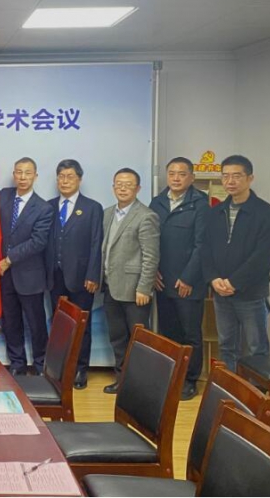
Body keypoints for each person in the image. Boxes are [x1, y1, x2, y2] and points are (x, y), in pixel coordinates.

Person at [203, 155, 270, 372]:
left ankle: (256, 390)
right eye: (225, 176)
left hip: (251, 294)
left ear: (250, 178)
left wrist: (233, 282)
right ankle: (231, 387)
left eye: (236, 176)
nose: (230, 181)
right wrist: (213, 279)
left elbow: (262, 256)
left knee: (257, 348)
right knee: (227, 346)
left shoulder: (266, 213)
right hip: (220, 292)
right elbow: (205, 249)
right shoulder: (214, 212)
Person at [150, 157, 209, 400]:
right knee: (168, 332)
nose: (176, 178)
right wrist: (153, 271)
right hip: (162, 281)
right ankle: (172, 376)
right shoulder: (157, 202)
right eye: (172, 173)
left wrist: (188, 278)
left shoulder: (201, 204)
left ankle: (190, 379)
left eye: (182, 174)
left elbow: (202, 245)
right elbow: (150, 240)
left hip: (188, 284)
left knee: (190, 334)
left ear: (191, 178)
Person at [46, 159, 103, 390]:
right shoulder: (48, 206)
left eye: (70, 176)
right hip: (54, 276)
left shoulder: (92, 207)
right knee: (59, 324)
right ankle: (59, 369)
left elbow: (96, 243)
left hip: (82, 278)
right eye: (61, 176)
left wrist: (93, 275)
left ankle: (80, 369)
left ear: (79, 179)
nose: (65, 181)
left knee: (82, 325)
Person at [101, 168, 160, 393]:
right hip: (111, 286)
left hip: (135, 291)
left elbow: (151, 256)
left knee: (138, 341)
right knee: (117, 338)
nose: (123, 188)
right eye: (119, 184)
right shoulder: (107, 213)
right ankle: (122, 381)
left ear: (138, 188)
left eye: (128, 184)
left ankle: (140, 385)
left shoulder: (146, 216)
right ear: (113, 187)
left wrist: (144, 288)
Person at [0, 157, 54, 375]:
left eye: (28, 173)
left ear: (35, 176)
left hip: (30, 276)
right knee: (10, 321)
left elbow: (38, 242)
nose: (23, 177)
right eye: (19, 172)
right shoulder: (3, 196)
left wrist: (9, 259)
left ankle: (41, 365)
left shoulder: (43, 208)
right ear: (14, 174)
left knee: (36, 323)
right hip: (4, 276)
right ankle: (17, 364)